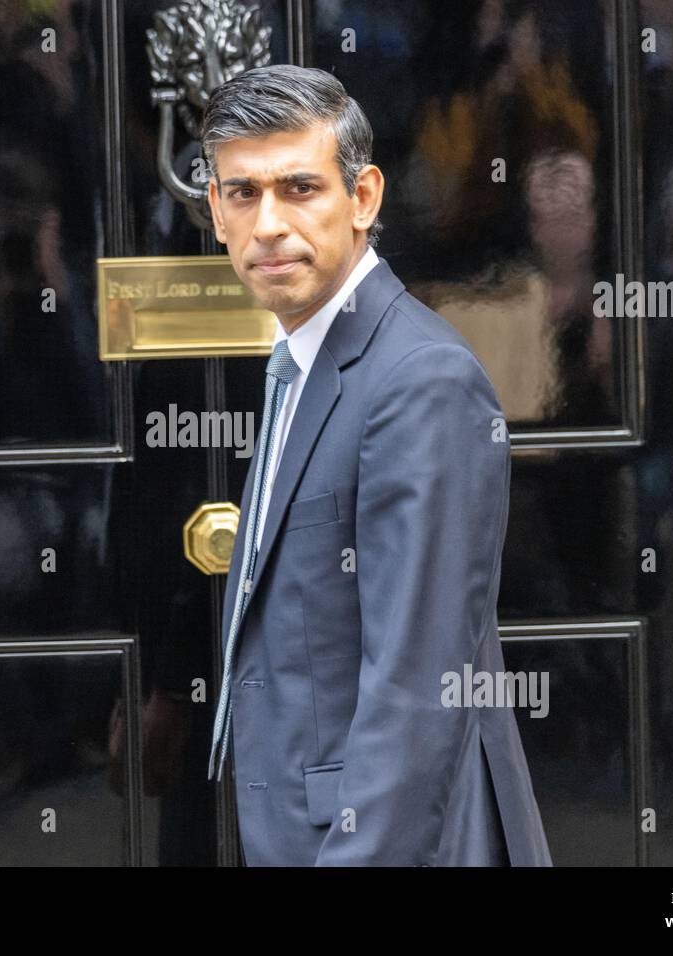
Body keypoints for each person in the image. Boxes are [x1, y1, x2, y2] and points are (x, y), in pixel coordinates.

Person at [201, 63, 552, 867]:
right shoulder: (304, 358)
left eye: (300, 188)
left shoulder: (420, 380)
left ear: (363, 197)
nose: (269, 224)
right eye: (244, 194)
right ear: (216, 212)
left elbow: (417, 690)